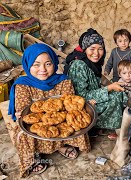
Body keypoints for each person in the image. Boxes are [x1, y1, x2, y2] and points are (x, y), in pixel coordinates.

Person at [7, 43, 90, 177]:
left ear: (54, 63)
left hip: (60, 117)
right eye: (36, 64)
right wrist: (20, 112)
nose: (43, 69)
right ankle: (34, 157)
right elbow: (24, 109)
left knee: (74, 124)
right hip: (37, 122)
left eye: (48, 64)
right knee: (23, 133)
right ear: (28, 65)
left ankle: (61, 146)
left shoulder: (63, 81)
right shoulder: (23, 85)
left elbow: (69, 104)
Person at [65, 28, 128, 139]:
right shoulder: (79, 65)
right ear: (85, 49)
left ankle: (121, 123)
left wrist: (114, 85)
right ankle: (94, 127)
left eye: (100, 49)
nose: (96, 53)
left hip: (92, 98)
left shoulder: (92, 64)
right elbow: (80, 96)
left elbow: (97, 85)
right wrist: (109, 88)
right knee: (116, 97)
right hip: (83, 106)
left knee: (121, 92)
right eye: (92, 49)